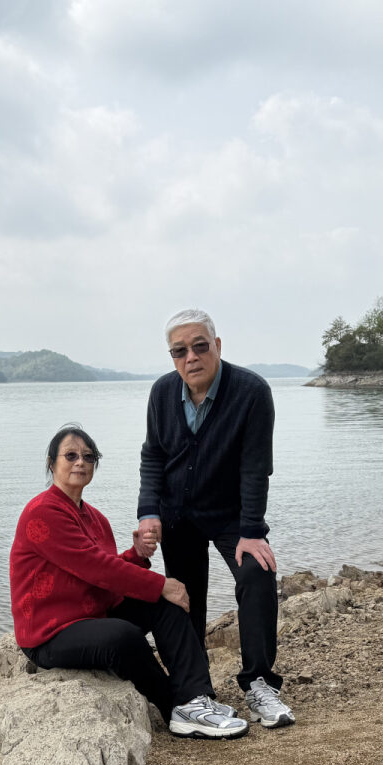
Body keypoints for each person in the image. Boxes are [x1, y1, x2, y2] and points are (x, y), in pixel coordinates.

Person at [10, 424, 248, 739]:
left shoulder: (95, 518)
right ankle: (174, 707)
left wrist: (136, 555)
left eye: (88, 457)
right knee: (123, 635)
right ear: (52, 463)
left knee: (166, 603)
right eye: (71, 455)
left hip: (91, 615)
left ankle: (195, 698)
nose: (81, 462)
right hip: (49, 634)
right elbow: (95, 567)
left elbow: (104, 572)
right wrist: (159, 582)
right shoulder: (43, 512)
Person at [137, 309, 295, 729]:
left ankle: (259, 683)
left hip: (231, 515)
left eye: (200, 346)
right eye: (179, 351)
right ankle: (197, 691)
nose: (191, 357)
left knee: (257, 572)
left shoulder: (251, 392)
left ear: (217, 346)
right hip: (177, 514)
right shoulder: (162, 392)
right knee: (185, 597)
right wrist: (148, 512)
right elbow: (153, 455)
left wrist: (252, 531)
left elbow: (256, 467)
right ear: (173, 358)